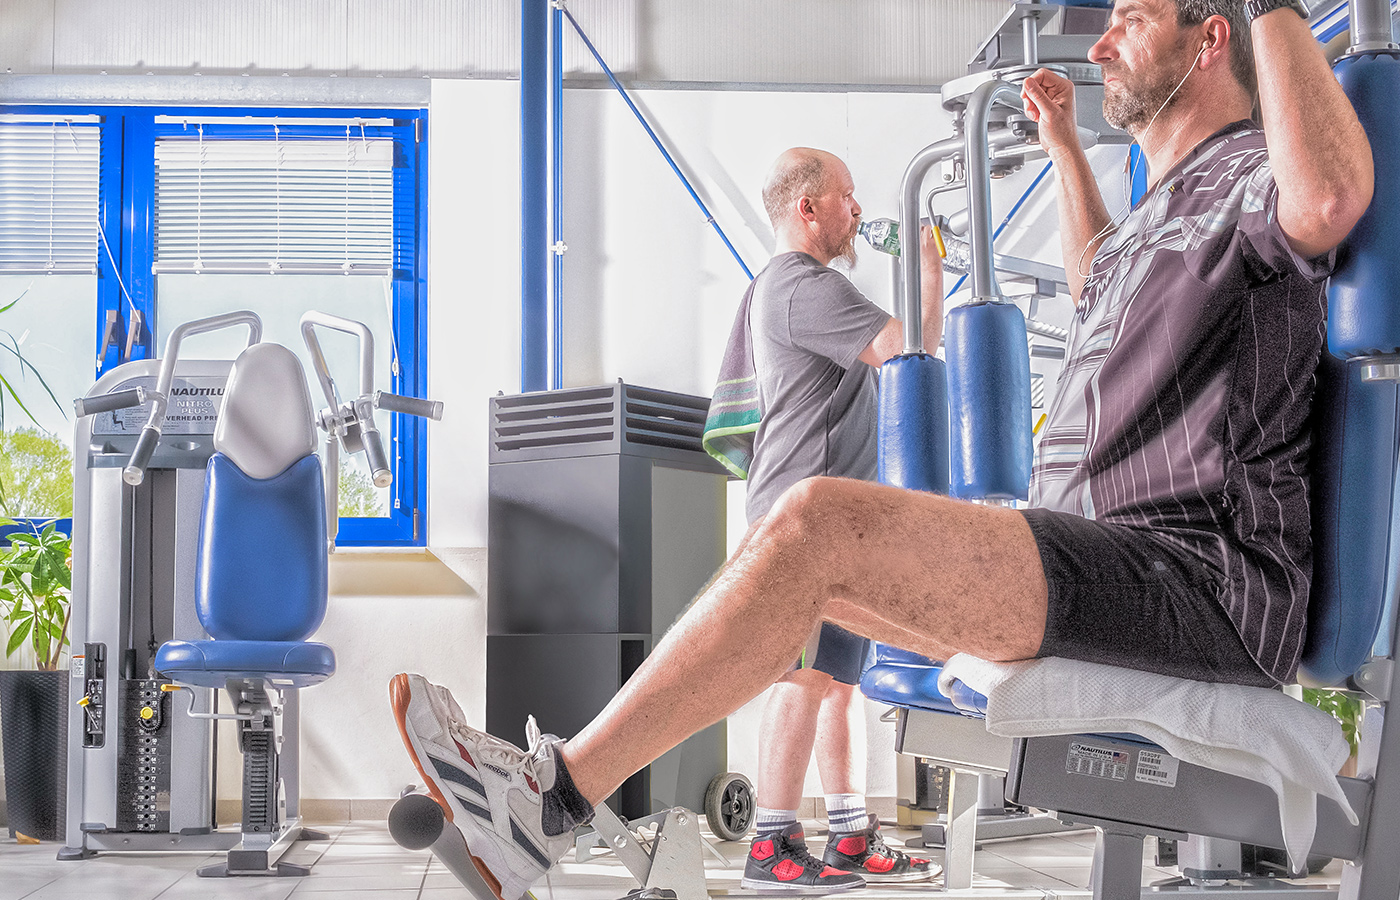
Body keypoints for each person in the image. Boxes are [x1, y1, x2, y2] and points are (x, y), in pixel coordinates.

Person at [389, 0, 1373, 896]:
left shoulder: (1254, 173)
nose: (1104, 36)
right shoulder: (1153, 214)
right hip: (1103, 557)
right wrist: (1064, 143)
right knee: (790, 565)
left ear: (1210, 42)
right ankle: (571, 802)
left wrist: (1268, 7)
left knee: (815, 524)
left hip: (1188, 578)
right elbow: (1093, 283)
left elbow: (1326, 198)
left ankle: (545, 806)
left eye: (1132, 16)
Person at [701, 147, 942, 892]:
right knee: (803, 679)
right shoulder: (802, 285)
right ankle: (771, 845)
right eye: (846, 196)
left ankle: (848, 835)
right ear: (808, 209)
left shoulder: (797, 287)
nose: (857, 210)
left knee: (839, 681)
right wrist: (931, 268)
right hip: (804, 521)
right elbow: (908, 351)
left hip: (831, 519)